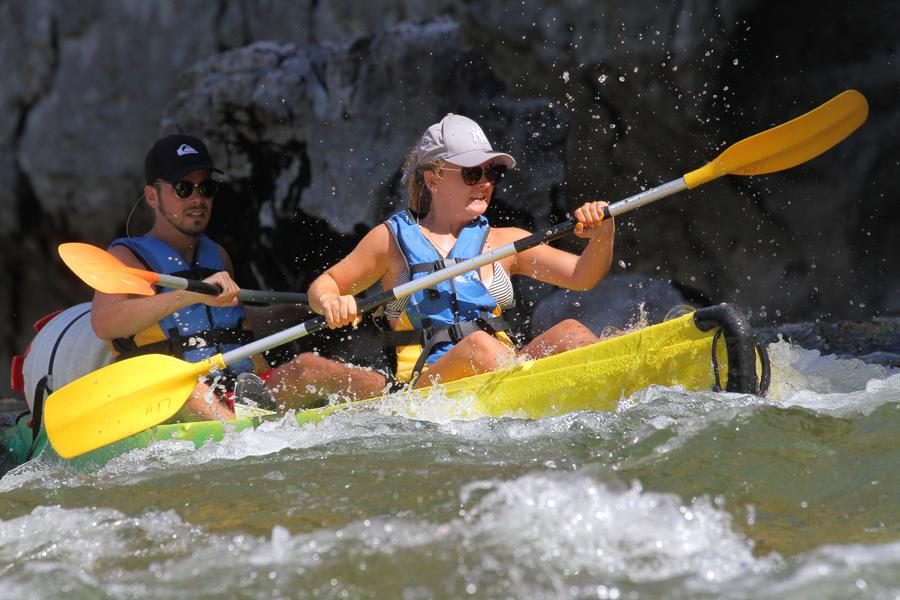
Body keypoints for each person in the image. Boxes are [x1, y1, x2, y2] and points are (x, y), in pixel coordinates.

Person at [307, 114, 615, 389]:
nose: (484, 183)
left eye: (490, 173)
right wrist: (333, 301)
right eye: (471, 174)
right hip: (427, 387)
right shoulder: (390, 241)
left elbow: (582, 275)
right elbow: (324, 285)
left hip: (503, 371)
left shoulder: (504, 242)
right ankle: (529, 389)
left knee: (571, 332)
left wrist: (602, 235)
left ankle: (609, 384)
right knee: (478, 346)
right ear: (433, 180)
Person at [90, 134, 383, 419]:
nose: (197, 198)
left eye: (206, 188)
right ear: (152, 196)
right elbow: (105, 322)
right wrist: (189, 295)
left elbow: (230, 324)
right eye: (183, 188)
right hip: (173, 395)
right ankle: (241, 437)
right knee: (190, 390)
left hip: (240, 388)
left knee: (310, 366)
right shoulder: (126, 257)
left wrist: (298, 312)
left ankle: (398, 398)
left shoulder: (217, 255)